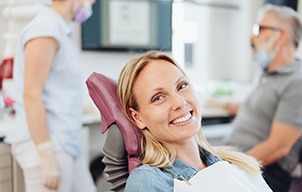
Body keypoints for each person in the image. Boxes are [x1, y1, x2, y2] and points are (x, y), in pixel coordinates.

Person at [113, 51, 272, 192]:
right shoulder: (148, 181)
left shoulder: (238, 163)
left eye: (182, 86)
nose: (180, 102)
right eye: (158, 97)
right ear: (137, 117)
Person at [214, 4, 302, 192]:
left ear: (281, 36)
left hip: (264, 171)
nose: (252, 37)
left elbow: (277, 147)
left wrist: (231, 168)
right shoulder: (266, 75)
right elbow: (257, 109)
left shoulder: (298, 84)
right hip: (239, 160)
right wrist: (219, 104)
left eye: (259, 29)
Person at [5, 0, 96, 191]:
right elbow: (31, 94)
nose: (92, 3)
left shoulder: (60, 29)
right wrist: (45, 155)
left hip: (64, 140)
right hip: (47, 141)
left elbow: (55, 87)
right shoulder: (46, 29)